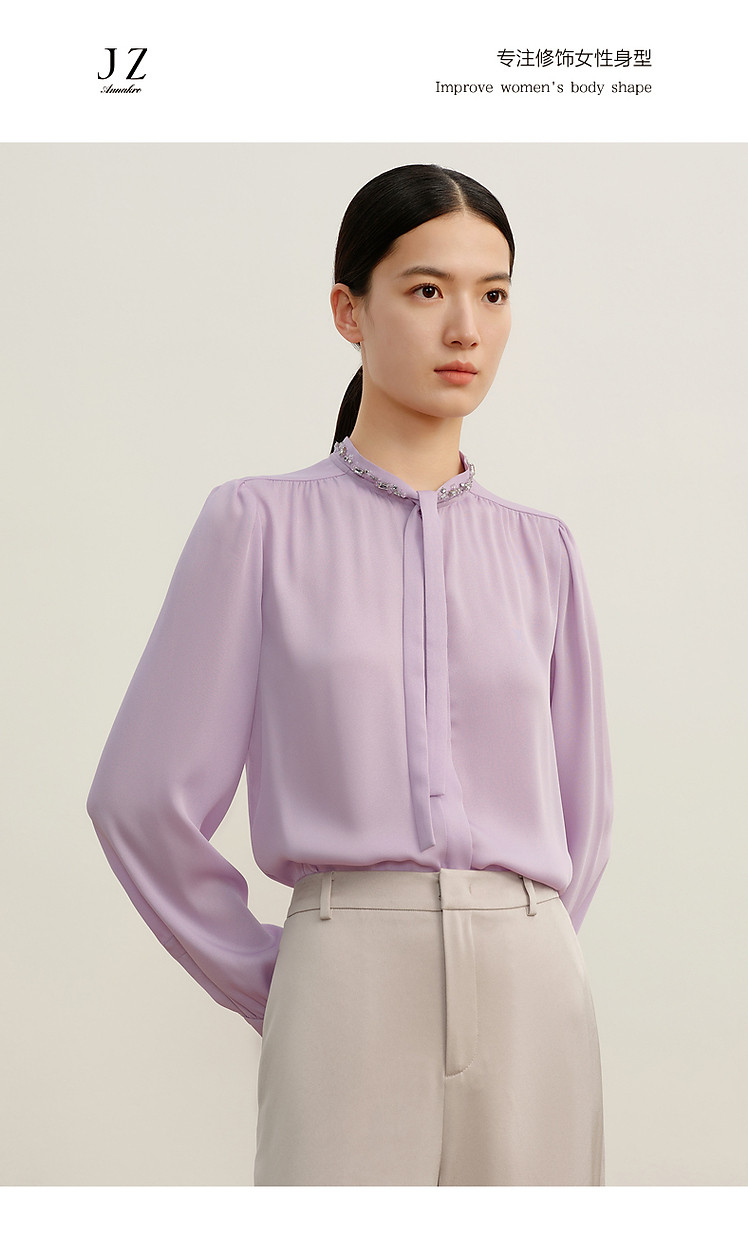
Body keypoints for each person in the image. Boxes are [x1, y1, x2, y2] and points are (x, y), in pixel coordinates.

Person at [86, 163, 614, 1187]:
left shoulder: (542, 550)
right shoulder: (258, 524)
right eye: (426, 289)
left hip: (533, 982)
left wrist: (525, 946)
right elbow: (138, 798)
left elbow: (583, 816)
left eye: (492, 294)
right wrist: (280, 977)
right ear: (349, 311)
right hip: (346, 978)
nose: (464, 328)